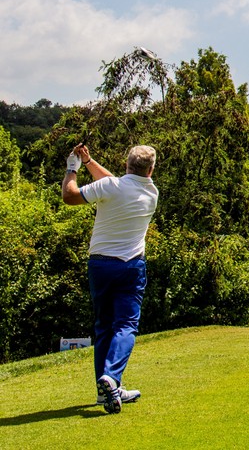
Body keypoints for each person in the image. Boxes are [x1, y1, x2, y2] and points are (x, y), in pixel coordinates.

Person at [62, 143, 158, 414]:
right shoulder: (152, 192)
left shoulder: (112, 187)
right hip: (132, 266)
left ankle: (105, 390)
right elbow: (112, 182)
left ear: (126, 164)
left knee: (104, 326)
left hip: (101, 265)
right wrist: (90, 162)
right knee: (126, 325)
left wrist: (73, 168)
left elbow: (70, 196)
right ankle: (112, 379)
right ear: (150, 169)